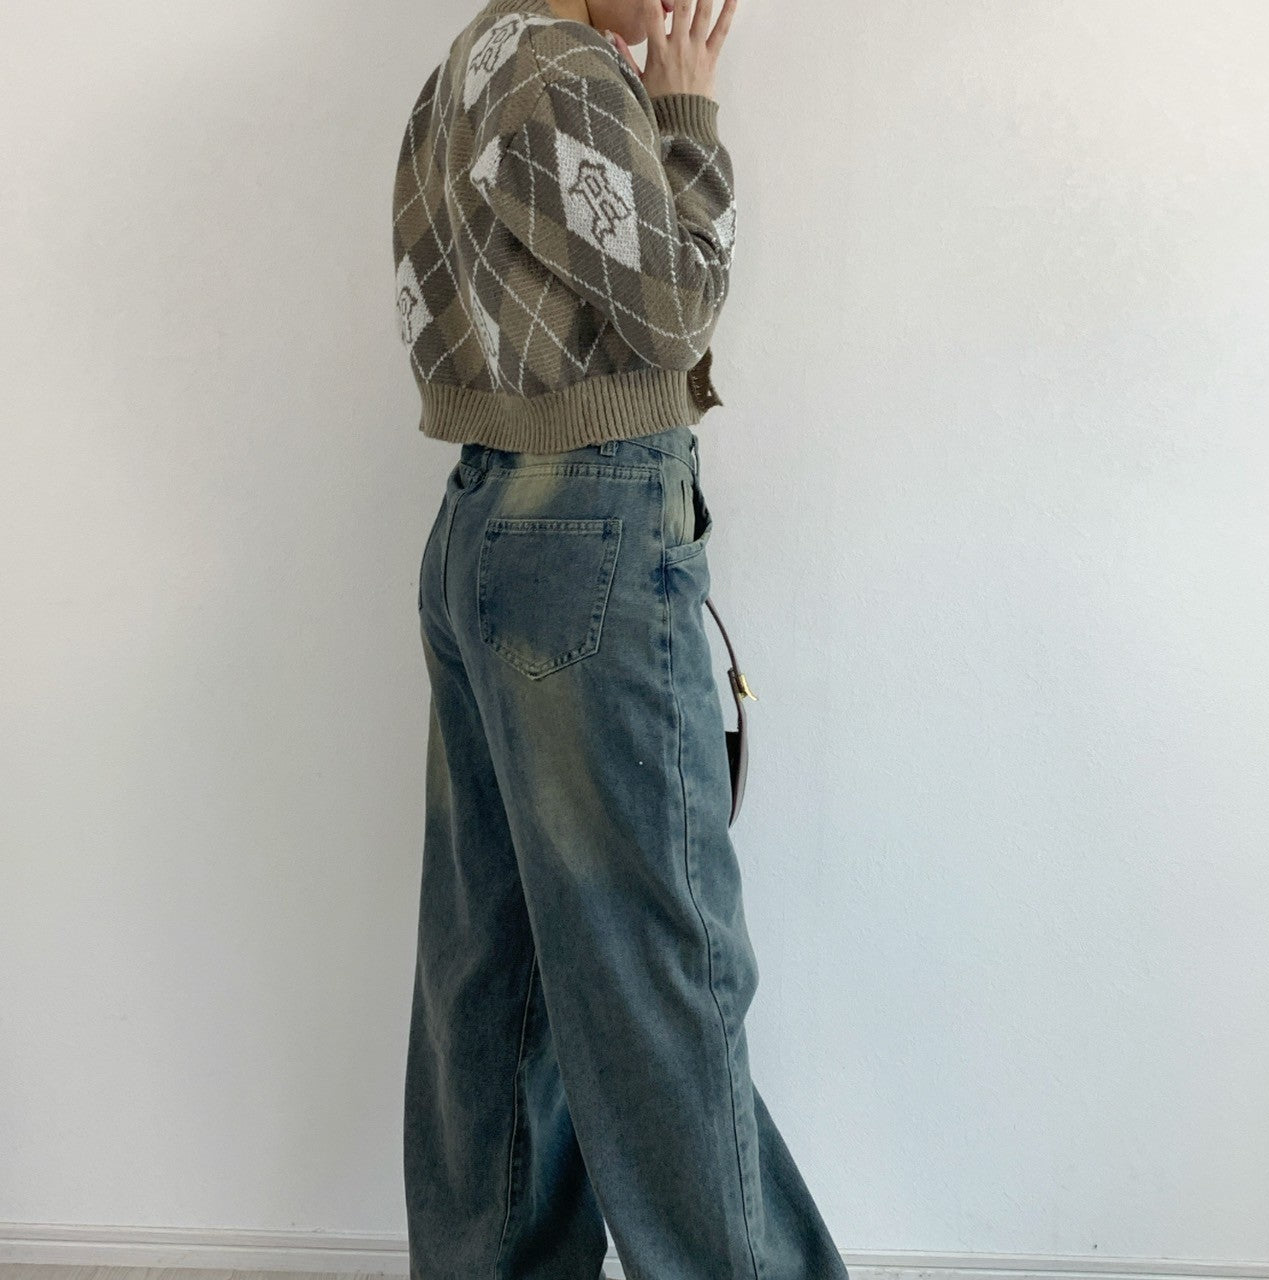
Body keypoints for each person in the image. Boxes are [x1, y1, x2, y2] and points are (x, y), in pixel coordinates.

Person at [391, 0, 847, 1275]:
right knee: (660, 966)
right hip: (586, 524)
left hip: (482, 521)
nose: (679, 8)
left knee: (498, 974)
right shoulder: (565, 67)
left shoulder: (462, 68)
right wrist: (687, 117)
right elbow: (675, 312)